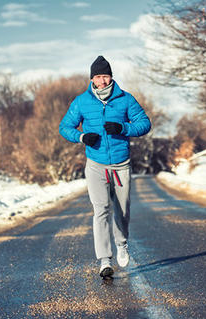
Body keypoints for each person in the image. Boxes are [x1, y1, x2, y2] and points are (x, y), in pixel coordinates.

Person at [59, 55, 151, 277]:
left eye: (105, 76)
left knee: (122, 210)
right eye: (98, 77)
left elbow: (144, 123)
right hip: (96, 165)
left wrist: (123, 128)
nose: (101, 81)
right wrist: (81, 138)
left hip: (121, 165)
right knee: (101, 210)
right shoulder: (81, 102)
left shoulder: (126, 99)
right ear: (92, 79)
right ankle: (105, 260)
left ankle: (121, 243)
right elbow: (65, 127)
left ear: (111, 77)